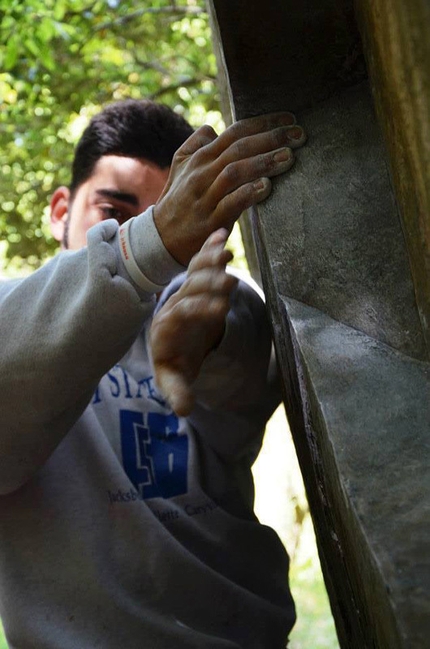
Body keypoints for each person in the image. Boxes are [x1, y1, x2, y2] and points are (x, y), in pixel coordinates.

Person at [0, 99, 306, 648]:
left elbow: (244, 356)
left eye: (189, 220)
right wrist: (151, 243)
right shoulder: (14, 311)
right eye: (115, 211)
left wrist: (205, 341)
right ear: (59, 210)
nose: (169, 244)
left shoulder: (222, 309)